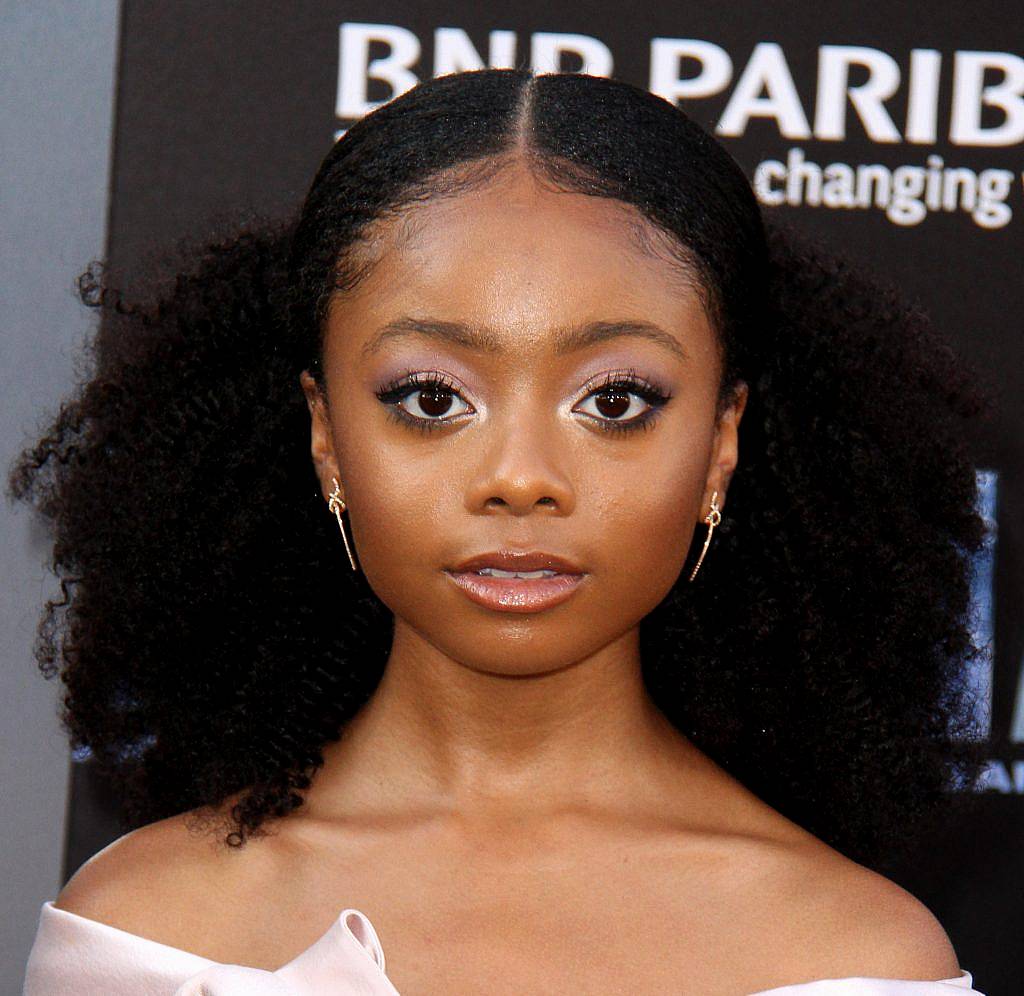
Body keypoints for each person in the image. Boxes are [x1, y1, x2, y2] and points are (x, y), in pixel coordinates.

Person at [12, 68, 993, 994]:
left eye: (614, 400)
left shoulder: (857, 957)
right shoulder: (147, 932)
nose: (520, 478)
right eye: (431, 397)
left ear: (721, 444)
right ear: (325, 436)